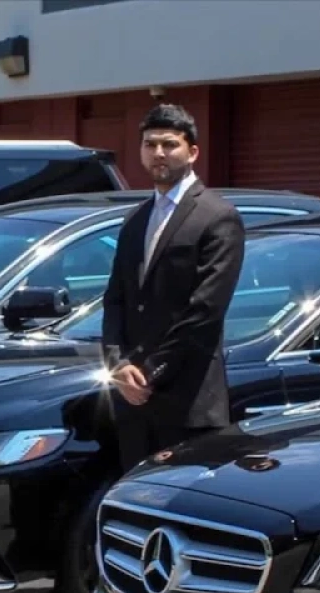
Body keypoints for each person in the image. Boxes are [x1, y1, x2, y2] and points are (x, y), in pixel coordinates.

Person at [101, 103, 245, 472]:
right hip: (133, 404)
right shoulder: (136, 219)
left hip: (188, 402)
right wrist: (117, 366)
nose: (159, 153)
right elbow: (116, 298)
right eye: (150, 145)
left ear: (192, 152)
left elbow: (206, 310)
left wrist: (150, 371)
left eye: (169, 144)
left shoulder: (216, 216)